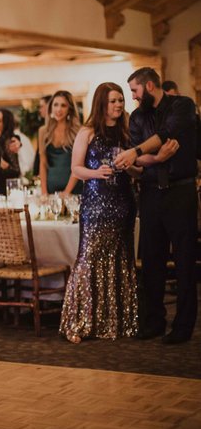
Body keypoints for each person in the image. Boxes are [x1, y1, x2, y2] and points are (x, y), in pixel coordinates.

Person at [115, 67, 198, 344]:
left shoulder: (182, 105)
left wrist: (139, 153)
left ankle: (183, 327)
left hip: (181, 191)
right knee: (151, 261)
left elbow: (165, 134)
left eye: (135, 91)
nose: (133, 98)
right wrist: (154, 156)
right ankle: (153, 322)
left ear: (150, 86)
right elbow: (138, 161)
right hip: (150, 193)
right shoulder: (138, 117)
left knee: (185, 261)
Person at [59, 83, 140, 343]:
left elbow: (139, 171)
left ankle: (117, 322)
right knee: (89, 258)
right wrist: (97, 173)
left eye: (121, 100)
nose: (119, 105)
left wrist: (130, 168)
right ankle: (79, 322)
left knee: (120, 258)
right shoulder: (88, 131)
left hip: (123, 203)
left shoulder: (128, 132)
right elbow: (76, 169)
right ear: (102, 104)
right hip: (95, 204)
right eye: (113, 101)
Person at [38, 91, 82, 196]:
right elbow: (43, 163)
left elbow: (79, 164)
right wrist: (44, 192)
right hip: (50, 189)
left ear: (69, 109)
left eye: (63, 105)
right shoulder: (43, 131)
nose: (59, 109)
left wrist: (67, 192)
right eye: (55, 105)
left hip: (74, 190)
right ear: (51, 107)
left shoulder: (78, 131)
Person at [0, 109, 21, 194]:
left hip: (4, 190)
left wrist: (3, 164)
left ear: (5, 125)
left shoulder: (9, 142)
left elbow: (16, 170)